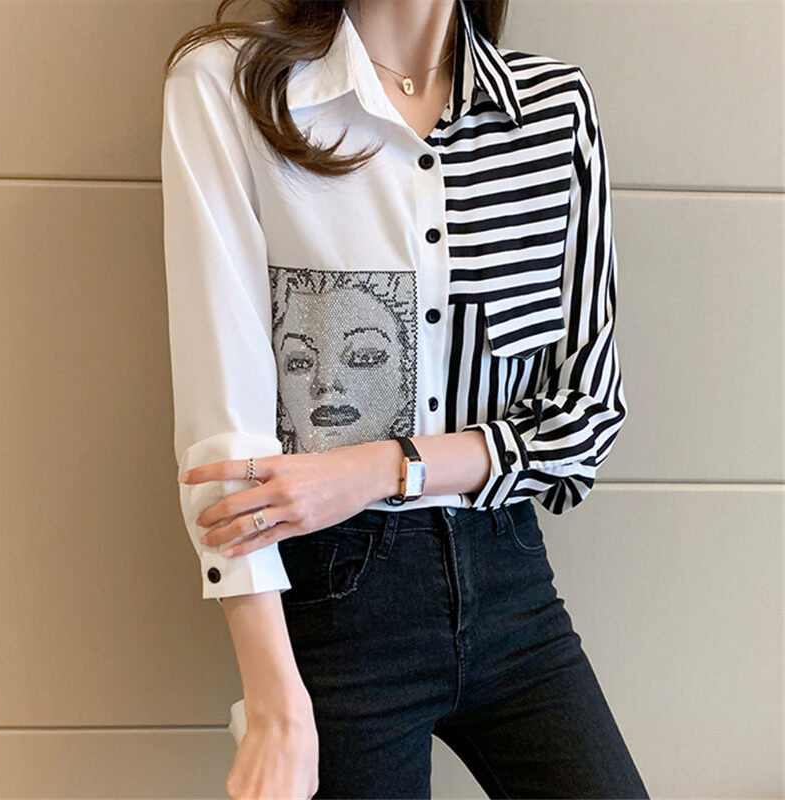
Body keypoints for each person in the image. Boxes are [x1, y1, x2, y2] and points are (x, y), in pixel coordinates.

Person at [160, 0, 649, 797]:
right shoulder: (232, 85)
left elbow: (585, 415)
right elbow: (226, 440)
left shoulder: (554, 110)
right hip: (337, 598)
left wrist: (383, 467)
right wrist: (276, 703)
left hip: (511, 577)